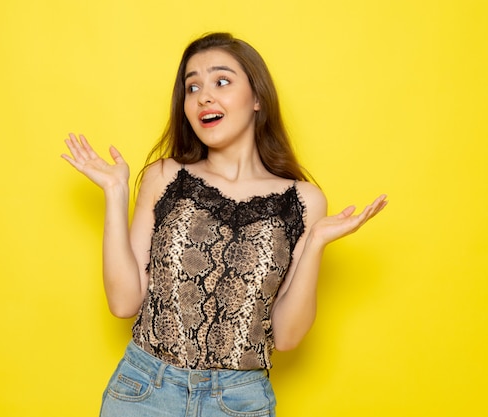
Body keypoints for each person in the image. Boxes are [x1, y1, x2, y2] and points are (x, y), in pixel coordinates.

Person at [62, 32, 387, 417]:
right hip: (144, 390)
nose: (204, 96)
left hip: (239, 401)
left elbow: (286, 337)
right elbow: (123, 302)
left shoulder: (303, 201)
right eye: (192, 86)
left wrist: (315, 242)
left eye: (221, 81)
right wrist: (116, 194)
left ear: (257, 99)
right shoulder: (164, 177)